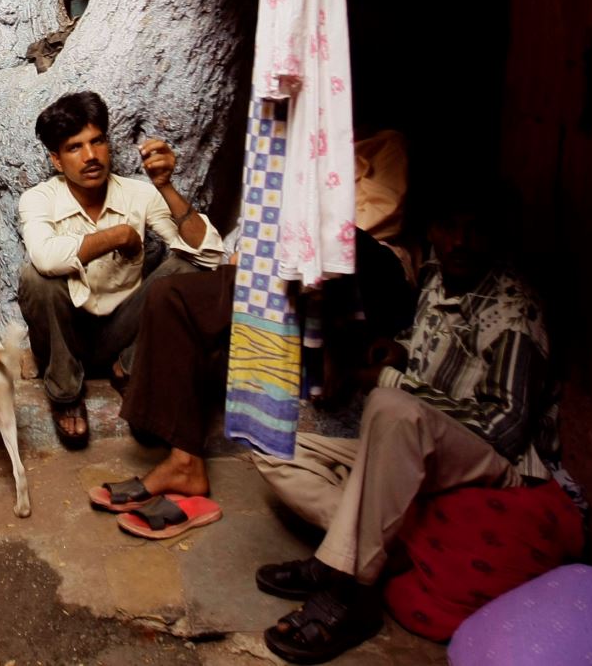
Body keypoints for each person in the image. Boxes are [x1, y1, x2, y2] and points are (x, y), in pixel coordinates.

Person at [250, 184, 567, 663]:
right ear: (433, 231)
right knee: (271, 446)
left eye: (474, 230)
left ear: (494, 235)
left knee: (390, 405)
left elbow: (505, 430)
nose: (460, 241)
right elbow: (427, 355)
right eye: (449, 227)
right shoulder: (439, 275)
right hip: (422, 440)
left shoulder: (514, 310)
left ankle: (349, 589)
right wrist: (399, 349)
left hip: (493, 461)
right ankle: (360, 547)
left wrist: (395, 380)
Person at [95, 229, 414, 534]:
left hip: (359, 283)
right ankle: (184, 462)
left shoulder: (352, 223)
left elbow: (340, 254)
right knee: (171, 293)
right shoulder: (277, 200)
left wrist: (332, 347)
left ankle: (182, 462)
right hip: (289, 281)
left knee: (324, 257)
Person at [17, 91, 223, 448]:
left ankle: (128, 370)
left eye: (97, 142)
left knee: (186, 269)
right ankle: (65, 395)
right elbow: (46, 258)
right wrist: (118, 235)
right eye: (75, 147)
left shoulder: (138, 194)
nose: (91, 156)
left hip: (124, 333)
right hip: (69, 335)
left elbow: (208, 256)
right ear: (55, 159)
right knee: (36, 278)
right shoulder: (39, 199)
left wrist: (165, 187)